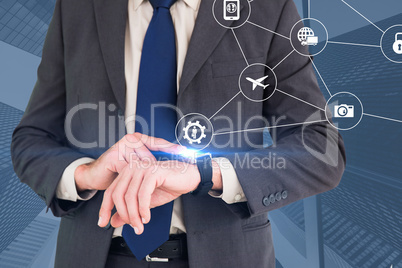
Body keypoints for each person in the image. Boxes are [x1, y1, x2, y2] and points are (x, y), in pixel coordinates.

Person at [11, 0, 346, 267]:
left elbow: (321, 147)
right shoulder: (77, 7)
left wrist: (205, 174)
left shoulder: (265, 8)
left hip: (226, 256)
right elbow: (31, 139)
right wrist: (85, 173)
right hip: (93, 255)